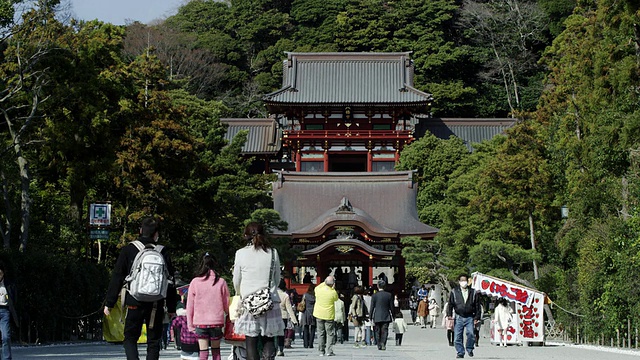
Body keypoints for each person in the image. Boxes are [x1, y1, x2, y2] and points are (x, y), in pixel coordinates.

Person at [104, 216, 177, 360]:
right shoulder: (162, 251)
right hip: (156, 303)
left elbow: (117, 277)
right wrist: (172, 308)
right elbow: (170, 281)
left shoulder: (129, 249)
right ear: (156, 234)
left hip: (134, 300)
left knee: (130, 338)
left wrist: (109, 303)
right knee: (154, 341)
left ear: (140, 230)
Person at [233, 222, 285, 360]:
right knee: (269, 337)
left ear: (246, 235)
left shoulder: (240, 253)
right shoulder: (273, 253)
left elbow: (236, 280)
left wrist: (240, 293)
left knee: (251, 341)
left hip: (249, 302)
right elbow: (277, 278)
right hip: (269, 300)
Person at [187, 252, 230, 360]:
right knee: (216, 352)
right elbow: (226, 303)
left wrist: (190, 325)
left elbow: (190, 306)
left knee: (203, 351)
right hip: (216, 321)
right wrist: (229, 315)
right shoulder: (221, 282)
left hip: (200, 322)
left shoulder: (195, 282)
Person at [446, 274, 481, 359]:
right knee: (457, 336)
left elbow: (477, 306)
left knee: (471, 334)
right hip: (459, 316)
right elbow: (450, 304)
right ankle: (460, 352)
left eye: (465, 280)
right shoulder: (454, 292)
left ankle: (469, 348)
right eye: (461, 280)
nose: (463, 282)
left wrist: (477, 317)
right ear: (459, 281)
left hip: (470, 316)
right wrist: (449, 314)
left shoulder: (473, 292)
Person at [313, 275, 339, 356]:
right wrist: (332, 288)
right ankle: (329, 351)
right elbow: (336, 299)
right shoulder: (333, 292)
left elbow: (317, 286)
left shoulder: (318, 289)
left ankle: (321, 351)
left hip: (319, 313)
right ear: (333, 284)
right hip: (329, 315)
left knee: (320, 333)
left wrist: (325, 282)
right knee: (330, 333)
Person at [370, 279, 394, 351]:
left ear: (377, 286)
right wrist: (394, 315)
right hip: (386, 315)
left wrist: (370, 316)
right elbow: (391, 307)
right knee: (385, 330)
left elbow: (372, 307)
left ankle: (379, 344)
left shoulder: (374, 295)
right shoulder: (389, 295)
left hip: (377, 315)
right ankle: (383, 343)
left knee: (377, 331)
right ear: (385, 286)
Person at [0, 261, 17, 360]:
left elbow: (14, 298)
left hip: (4, 311)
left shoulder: (9, 284)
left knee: (5, 336)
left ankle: (6, 358)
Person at [277, 281, 298, 356]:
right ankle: (281, 349)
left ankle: (274, 348)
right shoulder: (285, 296)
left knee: (273, 333)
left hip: (274, 316)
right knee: (281, 334)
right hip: (283, 316)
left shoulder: (273, 294)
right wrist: (294, 320)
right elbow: (289, 308)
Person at [300, 283, 317, 349]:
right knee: (313, 328)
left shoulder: (305, 295)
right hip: (314, 312)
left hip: (306, 312)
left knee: (306, 327)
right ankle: (311, 344)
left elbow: (302, 302)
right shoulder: (315, 296)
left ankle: (305, 344)